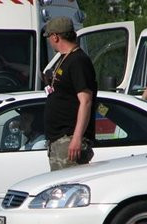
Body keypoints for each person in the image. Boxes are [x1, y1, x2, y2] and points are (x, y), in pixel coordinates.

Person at [43, 17, 97, 171]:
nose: (49, 41)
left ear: (55, 36)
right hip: (58, 139)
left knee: (67, 190)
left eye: (49, 37)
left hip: (69, 138)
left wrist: (77, 138)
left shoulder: (78, 60)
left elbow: (86, 101)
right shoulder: (64, 58)